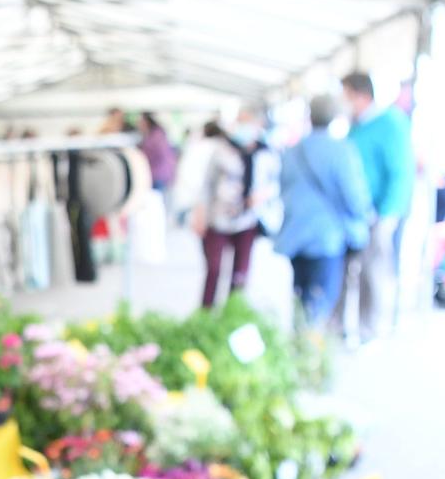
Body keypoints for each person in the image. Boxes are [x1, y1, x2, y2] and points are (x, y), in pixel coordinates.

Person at [274, 94, 371, 329]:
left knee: (300, 295)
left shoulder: (292, 151)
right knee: (320, 301)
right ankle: (310, 354)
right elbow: (355, 198)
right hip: (327, 238)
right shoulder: (342, 151)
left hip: (295, 234)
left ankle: (300, 345)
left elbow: (283, 188)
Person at [337, 70, 413, 341]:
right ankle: (340, 328)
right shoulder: (356, 125)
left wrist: (387, 216)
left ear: (360, 95)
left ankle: (369, 329)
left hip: (379, 213)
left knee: (373, 272)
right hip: (354, 212)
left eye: (345, 96)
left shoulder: (391, 123)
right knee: (347, 271)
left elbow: (401, 172)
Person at [194, 104, 279, 307]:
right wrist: (200, 214)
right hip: (219, 218)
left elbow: (275, 183)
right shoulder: (222, 150)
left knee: (240, 272)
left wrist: (263, 195)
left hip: (247, 219)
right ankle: (205, 312)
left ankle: (233, 312)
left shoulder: (266, 153)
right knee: (213, 268)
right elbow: (207, 184)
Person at [138, 112, 178, 193]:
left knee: (155, 199)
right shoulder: (158, 134)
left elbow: (146, 156)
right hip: (162, 174)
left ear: (147, 122)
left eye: (141, 122)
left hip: (158, 175)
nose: (139, 125)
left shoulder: (154, 138)